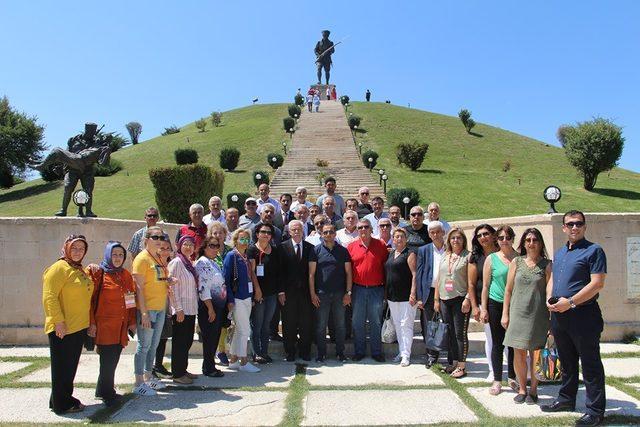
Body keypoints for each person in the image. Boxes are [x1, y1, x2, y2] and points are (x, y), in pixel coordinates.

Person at [542, 211, 607, 427]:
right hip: (560, 316)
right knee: (567, 363)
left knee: (590, 365)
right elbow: (552, 279)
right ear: (564, 228)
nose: (574, 227)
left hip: (584, 316)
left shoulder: (594, 250)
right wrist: (550, 300)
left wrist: (569, 302)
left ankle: (595, 411)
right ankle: (566, 399)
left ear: (585, 227)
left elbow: (597, 283)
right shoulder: (560, 253)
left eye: (579, 223)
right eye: (570, 224)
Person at [42, 235, 93, 414]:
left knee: (69, 367)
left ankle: (57, 399)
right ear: (66, 248)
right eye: (74, 248)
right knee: (62, 367)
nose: (78, 252)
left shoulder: (78, 269)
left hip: (78, 326)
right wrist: (58, 322)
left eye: (81, 248)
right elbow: (49, 297)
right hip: (63, 327)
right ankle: (62, 404)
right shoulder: (58, 268)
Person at [502, 228, 552, 405]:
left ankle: (534, 390)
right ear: (523, 243)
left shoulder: (547, 265)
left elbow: (549, 292)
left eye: (535, 240)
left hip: (538, 315)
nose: (531, 243)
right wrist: (505, 314)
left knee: (536, 353)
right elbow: (508, 290)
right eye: (528, 240)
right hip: (517, 313)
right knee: (519, 353)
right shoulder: (516, 262)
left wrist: (551, 317)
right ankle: (522, 389)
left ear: (540, 243)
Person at [87, 241, 136, 407]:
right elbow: (90, 301)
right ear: (108, 255)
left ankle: (102, 389)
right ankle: (107, 393)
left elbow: (130, 300)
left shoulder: (126, 275)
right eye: (114, 254)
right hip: (105, 326)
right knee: (107, 361)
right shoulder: (99, 274)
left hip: (120, 326)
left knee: (113, 359)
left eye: (120, 255)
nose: (117, 258)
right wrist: (91, 323)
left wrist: (131, 322)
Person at [132, 227, 175, 395]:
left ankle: (148, 377)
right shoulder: (142, 259)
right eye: (155, 236)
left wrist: (169, 281)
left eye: (161, 236)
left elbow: (158, 280)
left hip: (159, 307)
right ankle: (138, 382)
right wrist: (143, 313)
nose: (158, 239)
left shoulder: (157, 258)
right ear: (146, 239)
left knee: (154, 345)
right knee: (144, 345)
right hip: (148, 309)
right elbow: (139, 288)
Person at [481, 225, 517, 395]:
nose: (504, 241)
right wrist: (484, 309)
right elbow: (485, 286)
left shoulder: (519, 258)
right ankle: (497, 380)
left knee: (513, 344)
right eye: (501, 237)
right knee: (497, 343)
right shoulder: (492, 258)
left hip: (515, 305)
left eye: (507, 237)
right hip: (495, 303)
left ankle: (512, 376)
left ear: (512, 239)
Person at [309, 223, 352, 362]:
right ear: (321, 234)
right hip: (321, 294)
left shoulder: (343, 251)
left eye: (331, 232)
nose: (328, 234)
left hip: (340, 294)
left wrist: (348, 292)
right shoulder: (316, 251)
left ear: (335, 234)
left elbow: (349, 273)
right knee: (321, 326)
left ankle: (341, 353)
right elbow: (311, 275)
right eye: (325, 232)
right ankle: (321, 354)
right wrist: (312, 294)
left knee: (340, 325)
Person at [348, 218, 389, 361]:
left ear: (371, 229)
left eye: (366, 227)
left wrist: (385, 290)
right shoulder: (351, 246)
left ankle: (376, 352)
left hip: (376, 290)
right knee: (357, 321)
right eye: (360, 228)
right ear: (357, 230)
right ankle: (359, 351)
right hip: (358, 289)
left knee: (375, 321)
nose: (363, 230)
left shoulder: (380, 245)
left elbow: (386, 267)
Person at [434, 227, 470, 379]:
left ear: (463, 240)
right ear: (449, 240)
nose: (455, 240)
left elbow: (472, 280)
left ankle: (462, 366)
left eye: (459, 238)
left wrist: (468, 298)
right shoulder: (445, 255)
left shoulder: (468, 256)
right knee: (449, 332)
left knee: (459, 333)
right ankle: (453, 361)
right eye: (453, 238)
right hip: (444, 298)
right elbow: (439, 279)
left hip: (460, 298)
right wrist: (436, 299)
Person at [224, 229, 261, 372]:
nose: (245, 241)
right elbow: (226, 280)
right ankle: (244, 361)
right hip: (237, 298)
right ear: (235, 240)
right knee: (245, 329)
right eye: (242, 239)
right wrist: (230, 300)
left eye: (247, 239)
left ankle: (233, 360)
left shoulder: (245, 256)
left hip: (247, 297)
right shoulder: (231, 256)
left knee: (240, 330)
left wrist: (251, 296)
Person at [196, 235, 232, 378]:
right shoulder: (202, 263)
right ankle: (209, 368)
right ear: (204, 247)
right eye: (211, 245)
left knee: (214, 337)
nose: (215, 248)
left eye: (217, 246)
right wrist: (210, 308)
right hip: (209, 307)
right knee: (210, 338)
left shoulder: (213, 262)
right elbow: (203, 288)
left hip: (218, 306)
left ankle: (209, 365)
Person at [279, 220, 314, 361]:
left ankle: (305, 352)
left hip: (306, 293)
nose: (297, 231)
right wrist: (281, 292)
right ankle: (290, 352)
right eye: (293, 229)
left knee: (306, 323)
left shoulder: (310, 247)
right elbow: (279, 272)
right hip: (288, 293)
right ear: (289, 231)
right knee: (289, 323)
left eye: (299, 228)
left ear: (303, 230)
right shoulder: (282, 248)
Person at [467, 224, 499, 380]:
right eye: (479, 235)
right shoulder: (475, 257)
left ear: (494, 235)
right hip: (484, 302)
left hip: (504, 301)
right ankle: (493, 370)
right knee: (491, 337)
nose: (482, 238)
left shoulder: (503, 254)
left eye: (485, 234)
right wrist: (474, 306)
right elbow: (471, 284)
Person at [247, 223, 282, 363]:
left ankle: (264, 352)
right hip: (258, 294)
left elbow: (278, 274)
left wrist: (280, 292)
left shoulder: (274, 251)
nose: (266, 234)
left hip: (271, 294)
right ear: (257, 234)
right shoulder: (251, 250)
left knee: (266, 324)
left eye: (269, 232)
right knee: (257, 324)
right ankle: (256, 353)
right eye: (263, 231)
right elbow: (251, 273)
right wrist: (257, 290)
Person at [167, 236, 199, 384]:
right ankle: (177, 374)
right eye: (185, 244)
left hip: (190, 309)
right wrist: (177, 308)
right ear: (180, 246)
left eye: (191, 245)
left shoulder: (189, 264)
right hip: (181, 310)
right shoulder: (177, 262)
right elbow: (171, 287)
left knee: (187, 341)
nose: (188, 247)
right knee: (180, 342)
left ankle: (183, 369)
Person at [385, 228, 418, 366]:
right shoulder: (392, 253)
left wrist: (413, 293)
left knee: (406, 325)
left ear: (406, 239)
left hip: (406, 296)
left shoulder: (409, 253)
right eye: (396, 236)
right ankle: (401, 351)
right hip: (392, 296)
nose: (398, 239)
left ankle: (406, 355)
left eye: (401, 237)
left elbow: (415, 274)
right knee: (398, 324)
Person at [416, 221, 447, 367]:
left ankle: (449, 353)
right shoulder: (424, 250)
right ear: (429, 234)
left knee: (447, 322)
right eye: (432, 232)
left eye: (438, 231)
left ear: (443, 232)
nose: (435, 235)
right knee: (429, 324)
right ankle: (431, 355)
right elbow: (420, 273)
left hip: (447, 292)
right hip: (429, 292)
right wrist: (420, 297)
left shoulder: (450, 249)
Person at [206, 221, 233, 366]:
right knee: (214, 323)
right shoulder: (208, 252)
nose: (218, 236)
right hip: (212, 294)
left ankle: (222, 349)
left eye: (220, 233)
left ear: (225, 234)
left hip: (227, 291)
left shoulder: (230, 251)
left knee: (224, 323)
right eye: (214, 233)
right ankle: (218, 350)